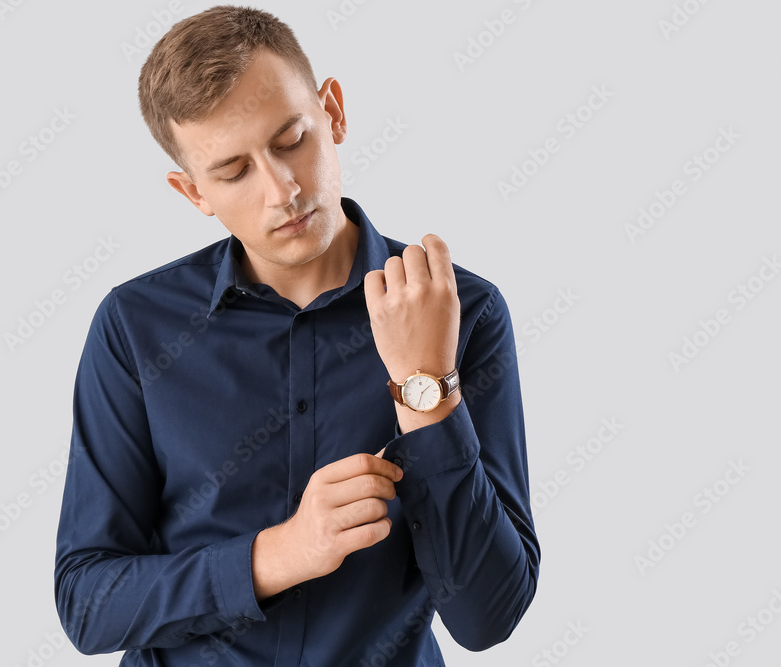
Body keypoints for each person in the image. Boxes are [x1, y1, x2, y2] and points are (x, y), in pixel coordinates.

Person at [54, 6, 539, 665]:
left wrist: (426, 391)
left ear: (333, 112)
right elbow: (89, 601)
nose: (282, 189)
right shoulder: (136, 326)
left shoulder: (461, 310)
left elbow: (488, 615)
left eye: (292, 140)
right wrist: (278, 554)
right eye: (233, 172)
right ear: (193, 192)